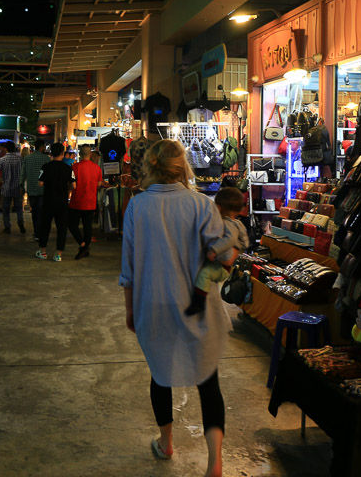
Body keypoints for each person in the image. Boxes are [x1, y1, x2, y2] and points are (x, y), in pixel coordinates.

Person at [120, 139, 227, 477]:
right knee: (208, 381)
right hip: (198, 306)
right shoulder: (202, 205)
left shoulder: (137, 207)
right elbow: (221, 257)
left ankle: (166, 443)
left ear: (149, 166)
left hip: (153, 304)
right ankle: (215, 464)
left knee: (161, 375)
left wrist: (130, 311)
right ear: (184, 168)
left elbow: (129, 270)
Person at [185, 187, 250, 316]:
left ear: (218, 208)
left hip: (223, 267)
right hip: (223, 263)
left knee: (204, 274)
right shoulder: (235, 223)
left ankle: (199, 303)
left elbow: (230, 239)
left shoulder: (227, 223)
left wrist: (214, 250)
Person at [36, 142, 75, 262]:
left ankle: (43, 251)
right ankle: (58, 254)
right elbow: (74, 185)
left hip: (48, 200)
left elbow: (40, 183)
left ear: (51, 154)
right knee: (61, 227)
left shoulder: (45, 167)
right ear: (63, 154)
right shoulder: (68, 169)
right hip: (62, 202)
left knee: (45, 226)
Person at [69, 145, 104, 260]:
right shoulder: (97, 168)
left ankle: (82, 244)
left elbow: (71, 184)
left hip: (77, 201)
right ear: (90, 154)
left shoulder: (75, 167)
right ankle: (85, 247)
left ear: (79, 153)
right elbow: (99, 184)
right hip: (90, 201)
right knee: (87, 226)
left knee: (72, 224)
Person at [20, 139, 50, 241]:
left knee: (34, 211)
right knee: (41, 212)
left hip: (31, 189)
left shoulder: (27, 158)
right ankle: (40, 232)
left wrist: (21, 185)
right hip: (43, 190)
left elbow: (23, 173)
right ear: (41, 147)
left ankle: (36, 232)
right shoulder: (46, 159)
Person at [0, 141, 25, 234]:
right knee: (19, 208)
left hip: (6, 188)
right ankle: (21, 225)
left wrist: (0, 182)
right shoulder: (20, 159)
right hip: (18, 188)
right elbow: (24, 173)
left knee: (6, 209)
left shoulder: (2, 160)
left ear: (6, 149)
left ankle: (7, 227)